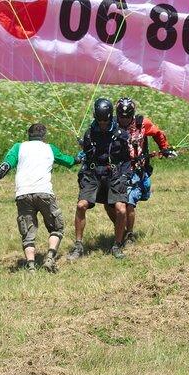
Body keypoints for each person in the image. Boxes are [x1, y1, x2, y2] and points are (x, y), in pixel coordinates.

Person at [0, 123, 80, 273]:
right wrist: (79, 157)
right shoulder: (49, 148)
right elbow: (70, 162)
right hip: (44, 193)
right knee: (56, 228)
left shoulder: (18, 147)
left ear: (28, 134)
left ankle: (31, 267)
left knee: (28, 233)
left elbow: (5, 167)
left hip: (23, 194)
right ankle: (50, 258)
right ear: (44, 135)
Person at [112, 97, 177, 251]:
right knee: (127, 203)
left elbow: (158, 133)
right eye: (121, 117)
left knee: (132, 202)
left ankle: (127, 232)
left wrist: (164, 148)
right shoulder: (112, 125)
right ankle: (127, 233)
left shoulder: (143, 123)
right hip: (120, 170)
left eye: (127, 117)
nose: (124, 120)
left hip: (138, 169)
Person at [67, 97, 125, 260]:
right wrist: (82, 156)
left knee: (120, 209)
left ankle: (118, 245)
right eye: (99, 121)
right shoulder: (90, 133)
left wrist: (125, 176)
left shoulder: (120, 134)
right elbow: (87, 153)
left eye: (105, 121)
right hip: (92, 174)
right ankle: (78, 246)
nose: (103, 124)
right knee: (81, 206)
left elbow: (126, 159)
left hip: (115, 175)